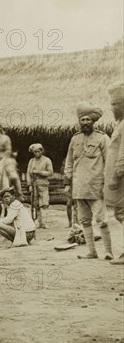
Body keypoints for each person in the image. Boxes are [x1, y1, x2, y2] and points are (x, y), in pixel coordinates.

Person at [64, 102, 113, 260]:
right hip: (79, 188)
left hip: (96, 187)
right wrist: (67, 183)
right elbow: (69, 163)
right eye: (82, 120)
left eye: (88, 120)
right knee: (84, 221)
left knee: (102, 220)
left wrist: (108, 184)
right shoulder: (75, 139)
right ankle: (92, 252)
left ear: (93, 121)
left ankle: (108, 251)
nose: (85, 122)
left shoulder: (102, 138)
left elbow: (110, 162)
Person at [104, 83, 124, 265]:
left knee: (123, 213)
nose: (113, 108)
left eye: (116, 104)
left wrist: (116, 176)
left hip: (121, 179)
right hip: (118, 179)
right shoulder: (119, 124)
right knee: (120, 213)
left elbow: (123, 155)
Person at [26, 143, 54, 228]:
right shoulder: (31, 161)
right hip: (34, 184)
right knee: (36, 204)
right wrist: (29, 185)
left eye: (38, 151)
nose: (36, 153)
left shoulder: (47, 160)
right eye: (35, 152)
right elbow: (28, 173)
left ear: (41, 151)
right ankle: (38, 221)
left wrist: (39, 172)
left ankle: (45, 222)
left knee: (45, 203)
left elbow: (50, 172)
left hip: (43, 184)